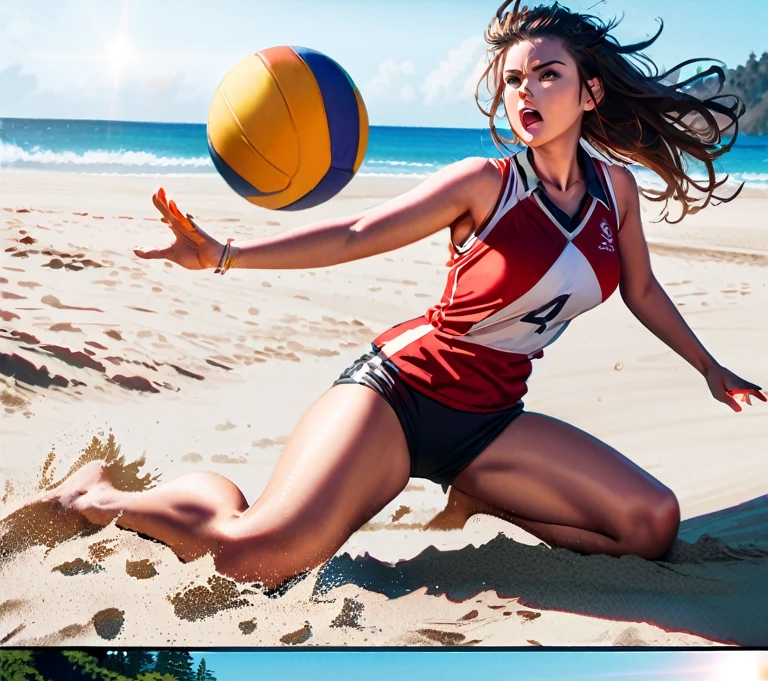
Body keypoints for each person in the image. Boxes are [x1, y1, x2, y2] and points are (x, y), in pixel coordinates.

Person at [44, 3, 764, 588]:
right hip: (397, 395)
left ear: (590, 91)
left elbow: (640, 288)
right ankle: (99, 496)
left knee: (651, 526)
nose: (526, 94)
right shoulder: (484, 184)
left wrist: (708, 367)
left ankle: (485, 495)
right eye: (514, 81)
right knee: (252, 559)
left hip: (490, 422)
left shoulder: (617, 192)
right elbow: (357, 233)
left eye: (547, 75)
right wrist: (224, 254)